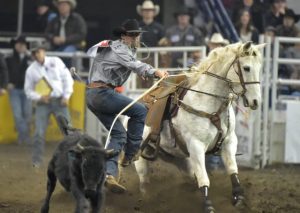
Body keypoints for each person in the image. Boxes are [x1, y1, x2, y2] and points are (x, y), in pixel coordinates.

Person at [86, 19, 169, 193]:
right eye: (133, 35)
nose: (136, 38)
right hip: (102, 94)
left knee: (117, 134)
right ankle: (131, 153)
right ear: (124, 36)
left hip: (93, 95)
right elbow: (135, 64)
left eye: (137, 35)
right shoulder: (121, 49)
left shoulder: (111, 47)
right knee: (140, 110)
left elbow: (125, 65)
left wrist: (144, 71)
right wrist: (154, 72)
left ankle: (109, 174)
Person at [24, 41, 74, 168]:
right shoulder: (31, 70)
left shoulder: (56, 61)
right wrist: (40, 97)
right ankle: (36, 161)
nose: (37, 54)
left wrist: (66, 95)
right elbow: (28, 90)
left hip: (59, 100)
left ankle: (73, 160)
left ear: (43, 51)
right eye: (34, 52)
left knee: (69, 132)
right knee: (38, 133)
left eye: (38, 51)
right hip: (43, 103)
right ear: (33, 54)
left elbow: (67, 78)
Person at [6, 36, 32, 145]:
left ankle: (23, 137)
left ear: (26, 46)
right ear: (15, 45)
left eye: (22, 44)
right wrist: (7, 83)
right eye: (18, 43)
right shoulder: (9, 58)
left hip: (27, 90)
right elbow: (4, 72)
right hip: (15, 90)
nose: (20, 45)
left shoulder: (31, 58)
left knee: (27, 115)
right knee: (18, 115)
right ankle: (25, 137)